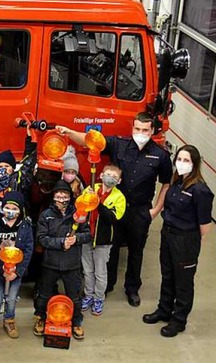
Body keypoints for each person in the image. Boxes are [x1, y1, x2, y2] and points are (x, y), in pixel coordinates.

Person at [58, 112, 173, 307]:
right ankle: (108, 284)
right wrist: (69, 132)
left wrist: (156, 210)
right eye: (137, 129)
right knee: (111, 247)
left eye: (145, 130)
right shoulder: (118, 144)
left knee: (136, 251)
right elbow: (90, 141)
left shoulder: (161, 155)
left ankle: (132, 288)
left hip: (140, 211)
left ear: (152, 131)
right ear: (132, 128)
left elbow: (166, 183)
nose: (140, 133)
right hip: (113, 208)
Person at [143, 145, 214, 337]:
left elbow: (205, 225)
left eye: (187, 160)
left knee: (183, 282)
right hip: (168, 235)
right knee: (168, 276)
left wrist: (188, 240)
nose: (181, 164)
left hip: (185, 240)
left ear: (195, 164)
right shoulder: (176, 183)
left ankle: (179, 320)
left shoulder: (200, 190)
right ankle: (164, 310)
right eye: (179, 159)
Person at [33, 180, 91, 340]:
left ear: (70, 197)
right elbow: (41, 238)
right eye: (58, 194)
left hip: (72, 264)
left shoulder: (78, 214)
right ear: (53, 196)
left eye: (65, 195)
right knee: (43, 295)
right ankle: (40, 318)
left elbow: (87, 234)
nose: (61, 197)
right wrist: (60, 242)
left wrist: (76, 239)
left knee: (75, 296)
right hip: (50, 263)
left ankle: (77, 322)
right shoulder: (46, 215)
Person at [0, 191, 34, 340]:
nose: (11, 211)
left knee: (12, 298)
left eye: (15, 209)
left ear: (20, 210)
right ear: (2, 208)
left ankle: (9, 320)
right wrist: (1, 269)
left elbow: (28, 249)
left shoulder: (25, 226)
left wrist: (17, 271)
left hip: (15, 272)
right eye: (8, 207)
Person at [81, 165, 126, 316]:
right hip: (87, 237)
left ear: (119, 181)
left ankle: (98, 298)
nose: (110, 178)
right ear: (100, 175)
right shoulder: (91, 188)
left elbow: (113, 218)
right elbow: (81, 207)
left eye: (114, 177)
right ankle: (88, 295)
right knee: (87, 270)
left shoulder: (119, 198)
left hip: (103, 241)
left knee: (100, 272)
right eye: (108, 174)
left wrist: (97, 204)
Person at [0, 128, 36, 219]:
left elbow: (28, 163)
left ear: (12, 168)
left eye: (7, 166)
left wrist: (30, 140)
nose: (3, 169)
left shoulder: (19, 179)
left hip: (16, 223)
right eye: (0, 167)